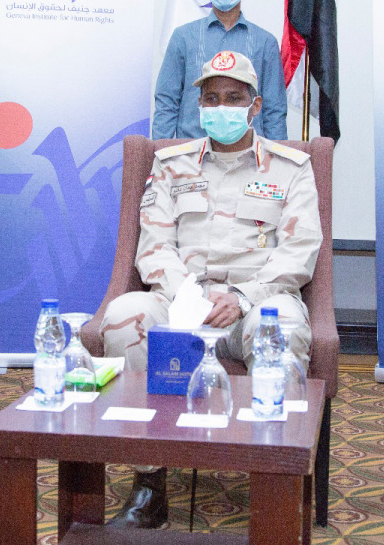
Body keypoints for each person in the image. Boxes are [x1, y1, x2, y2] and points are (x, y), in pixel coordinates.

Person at [102, 49, 321, 528]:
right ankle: (149, 482)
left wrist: (243, 298)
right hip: (182, 304)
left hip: (256, 304)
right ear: (199, 105)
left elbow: (299, 250)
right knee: (124, 316)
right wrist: (190, 298)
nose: (222, 107)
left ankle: (273, 481)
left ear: (255, 105)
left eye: (234, 98)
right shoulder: (170, 165)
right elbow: (154, 246)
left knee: (283, 331)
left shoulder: (290, 167)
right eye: (212, 98)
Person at [152, 0, 287, 140]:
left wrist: (275, 154)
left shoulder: (265, 42)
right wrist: (161, 150)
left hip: (249, 152)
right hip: (192, 149)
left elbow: (275, 109)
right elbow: (166, 102)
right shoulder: (183, 37)